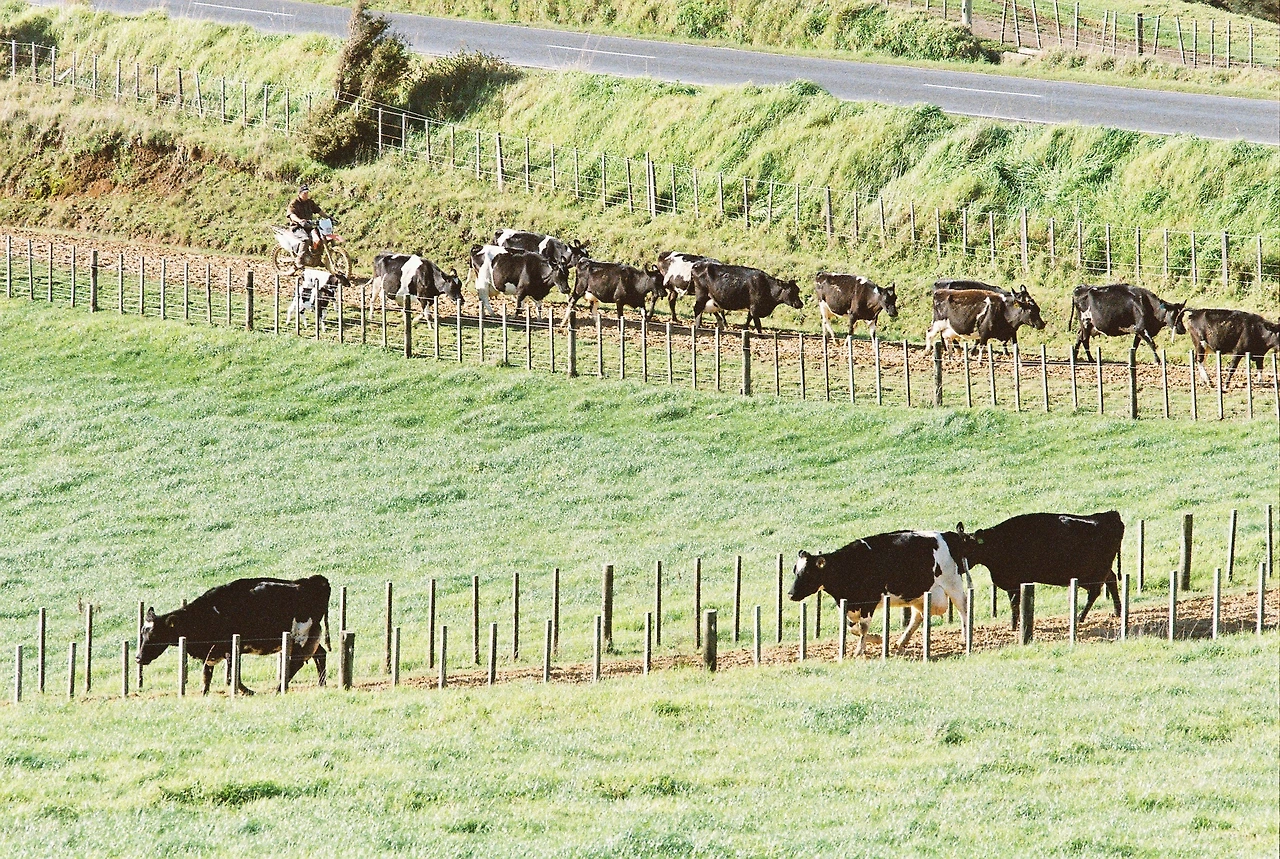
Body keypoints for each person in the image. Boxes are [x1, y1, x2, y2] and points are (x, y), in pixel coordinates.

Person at [286, 184, 328, 268]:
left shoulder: (310, 202)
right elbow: (291, 215)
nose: (306, 195)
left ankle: (317, 258)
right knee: (306, 239)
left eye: (307, 193)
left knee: (320, 237)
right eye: (304, 193)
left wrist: (328, 217)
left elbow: (319, 211)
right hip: (297, 227)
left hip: (308, 226)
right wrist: (299, 220)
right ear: (299, 193)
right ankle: (299, 259)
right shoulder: (294, 203)